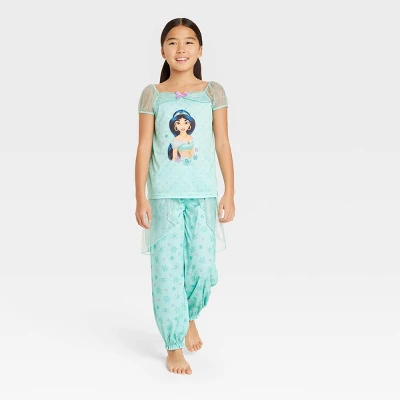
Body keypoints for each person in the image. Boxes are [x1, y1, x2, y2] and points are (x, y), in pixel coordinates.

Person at [134, 17, 235, 375]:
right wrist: (140, 197)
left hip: (203, 194)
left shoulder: (212, 93)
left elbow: (222, 143)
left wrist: (230, 191)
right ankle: (173, 344)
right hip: (164, 196)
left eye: (189, 41)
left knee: (203, 268)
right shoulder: (153, 94)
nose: (181, 49)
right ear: (163, 50)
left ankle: (190, 315)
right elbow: (144, 146)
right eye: (173, 42)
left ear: (200, 49)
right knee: (167, 270)